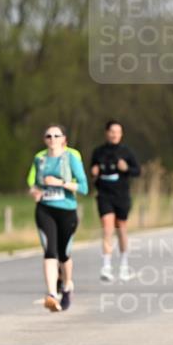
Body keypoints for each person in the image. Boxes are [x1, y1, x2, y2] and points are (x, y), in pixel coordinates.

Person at [28, 125, 89, 312]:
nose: (52, 138)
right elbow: (33, 183)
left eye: (56, 135)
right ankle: (52, 294)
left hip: (67, 211)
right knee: (49, 251)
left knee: (64, 254)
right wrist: (35, 191)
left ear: (64, 139)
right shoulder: (40, 159)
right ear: (44, 139)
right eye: (48, 135)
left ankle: (67, 285)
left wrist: (60, 183)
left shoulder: (71, 158)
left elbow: (84, 187)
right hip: (45, 209)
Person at [89, 120, 140, 282]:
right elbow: (92, 171)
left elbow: (137, 171)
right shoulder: (98, 152)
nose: (115, 135)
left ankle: (124, 266)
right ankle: (106, 266)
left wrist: (126, 168)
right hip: (104, 194)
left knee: (121, 229)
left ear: (121, 134)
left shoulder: (126, 152)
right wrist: (94, 171)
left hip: (122, 195)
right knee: (107, 228)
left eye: (118, 132)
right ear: (107, 133)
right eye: (112, 131)